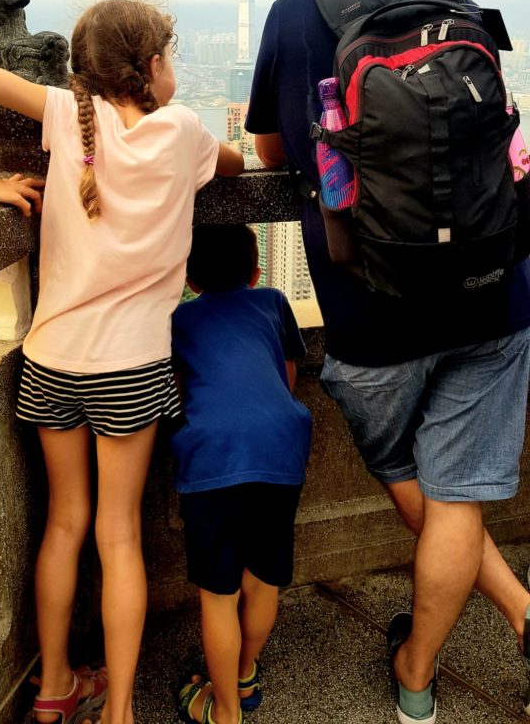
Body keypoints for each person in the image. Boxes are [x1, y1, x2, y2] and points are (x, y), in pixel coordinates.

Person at [245, 0, 530, 723]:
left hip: (371, 317)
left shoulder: (294, 15)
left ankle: (507, 618)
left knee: (417, 485)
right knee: (457, 496)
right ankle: (417, 681)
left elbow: (270, 153)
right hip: (492, 299)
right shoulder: (462, 13)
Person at [0, 0, 244, 724]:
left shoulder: (63, 114)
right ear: (153, 66)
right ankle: (118, 711)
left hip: (52, 359)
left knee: (64, 523)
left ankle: (55, 686)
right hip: (131, 369)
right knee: (119, 537)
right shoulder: (183, 129)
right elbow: (237, 163)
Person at [171, 224, 312, 724]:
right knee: (264, 578)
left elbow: (180, 390)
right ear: (256, 271)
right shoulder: (273, 301)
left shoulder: (178, 318)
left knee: (219, 594)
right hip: (281, 449)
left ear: (190, 278)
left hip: (213, 456)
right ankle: (245, 671)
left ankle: (225, 709)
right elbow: (287, 377)